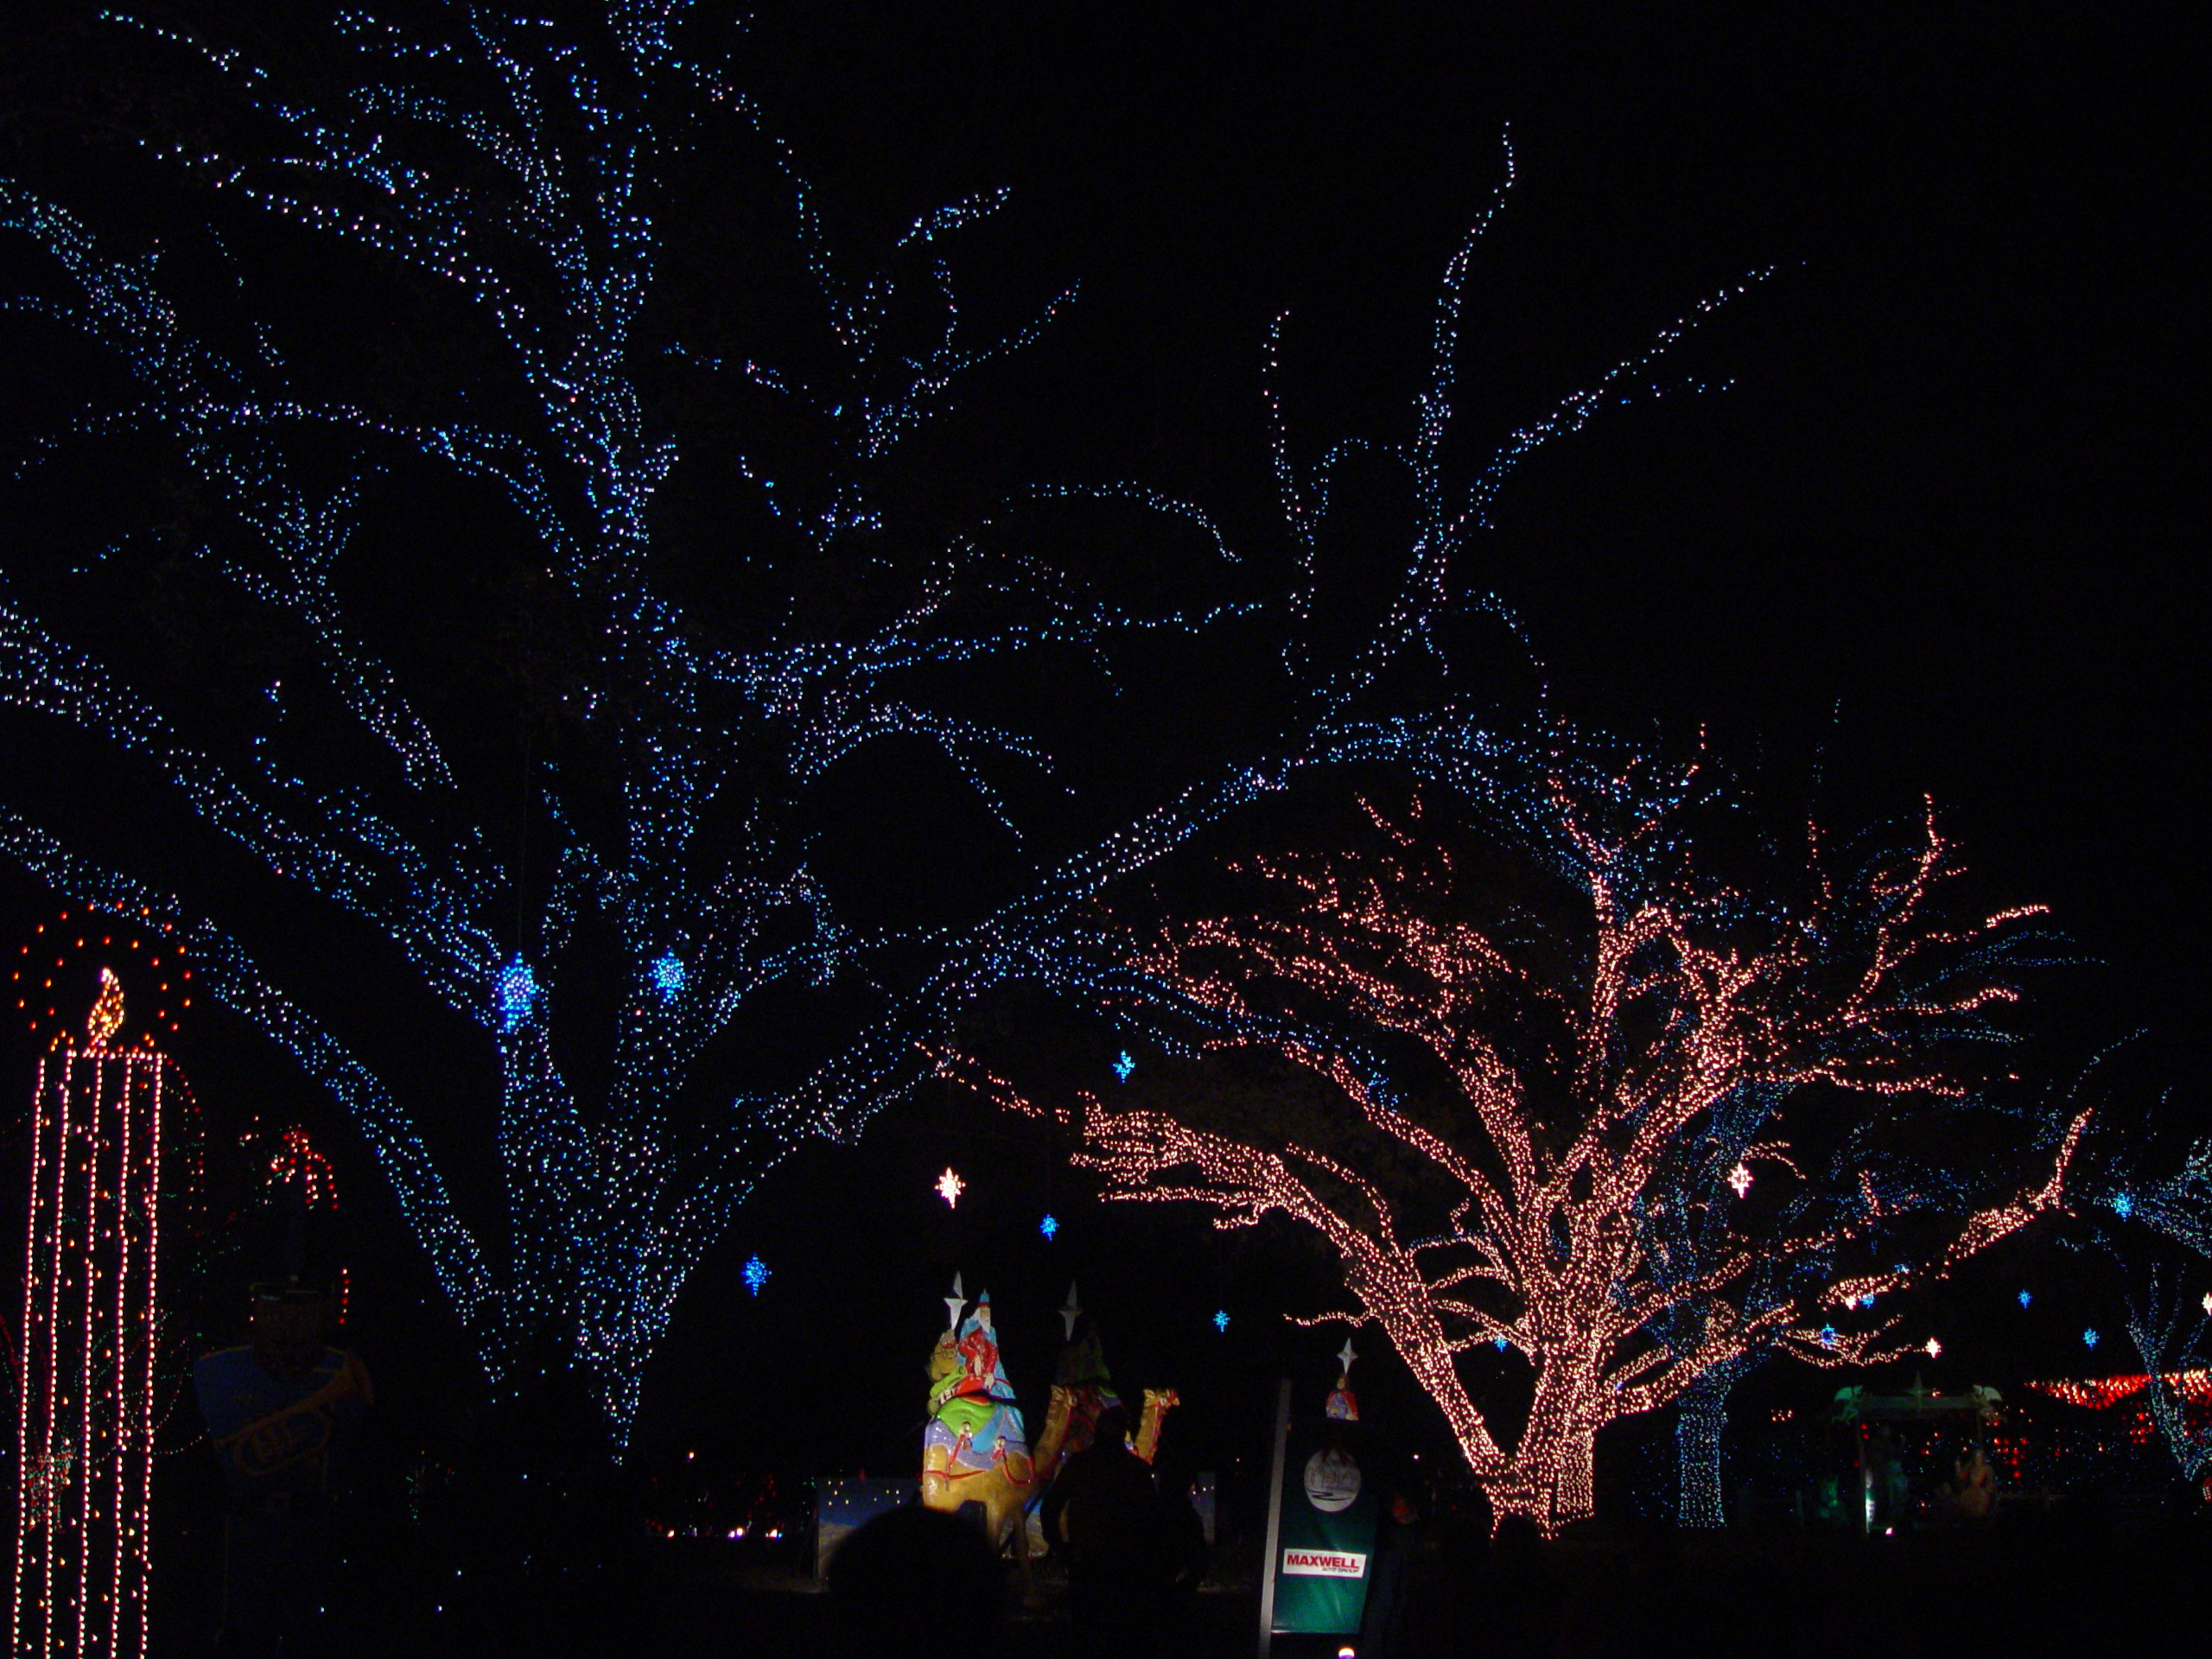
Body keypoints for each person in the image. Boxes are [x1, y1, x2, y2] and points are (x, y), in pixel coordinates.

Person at [192, 1283, 372, 1657]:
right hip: (246, 1521)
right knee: (243, 1629)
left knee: (303, 1630)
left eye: (302, 1316)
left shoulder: (336, 1370)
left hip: (312, 1520)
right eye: (277, 1314)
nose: (290, 1327)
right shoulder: (218, 1371)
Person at [1048, 1405, 1173, 1656]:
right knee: (1122, 1632)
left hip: (1091, 1559)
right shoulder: (1135, 1469)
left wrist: (1060, 1547)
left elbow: (1051, 1507)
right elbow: (1153, 1516)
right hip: (1122, 1561)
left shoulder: (1081, 1464)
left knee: (1088, 1631)